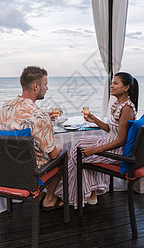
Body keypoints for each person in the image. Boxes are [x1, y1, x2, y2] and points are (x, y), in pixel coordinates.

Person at [54, 72, 139, 208]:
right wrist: (94, 119)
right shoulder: (118, 104)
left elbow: (121, 140)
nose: (111, 86)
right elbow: (110, 129)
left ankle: (75, 195)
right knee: (78, 145)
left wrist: (94, 150)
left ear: (126, 87)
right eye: (112, 83)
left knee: (78, 156)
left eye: (115, 83)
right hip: (109, 143)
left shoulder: (127, 109)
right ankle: (90, 191)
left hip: (116, 151)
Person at [0, 66, 63, 210]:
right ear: (36, 86)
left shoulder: (6, 105)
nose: (47, 88)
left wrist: (44, 117)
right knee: (63, 155)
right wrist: (60, 148)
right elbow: (53, 155)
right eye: (45, 84)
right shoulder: (40, 116)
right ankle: (49, 199)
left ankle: (39, 196)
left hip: (5, 169)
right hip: (30, 174)